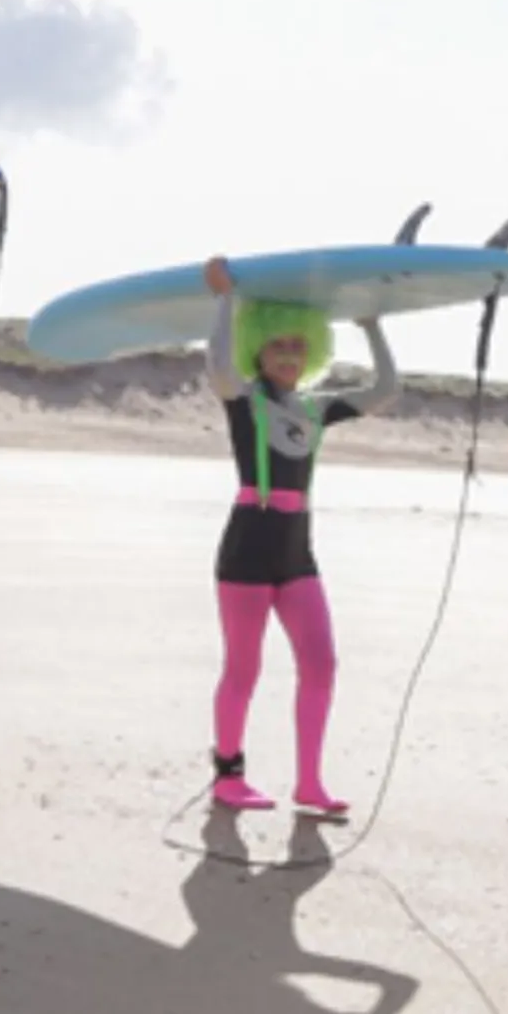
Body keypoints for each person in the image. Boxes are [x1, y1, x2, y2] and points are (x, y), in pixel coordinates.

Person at [199, 257, 400, 819]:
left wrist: (371, 325)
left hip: (297, 554)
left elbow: (386, 390)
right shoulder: (244, 401)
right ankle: (228, 776)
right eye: (276, 346)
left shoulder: (314, 410)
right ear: (257, 349)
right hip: (246, 549)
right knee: (243, 668)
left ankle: (309, 784)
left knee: (322, 664)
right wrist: (225, 301)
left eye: (297, 346)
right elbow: (216, 363)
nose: (288, 355)